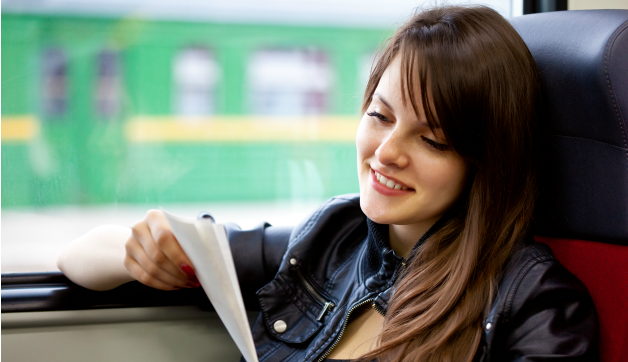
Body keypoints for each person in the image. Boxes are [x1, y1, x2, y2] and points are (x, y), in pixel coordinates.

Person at [57, 5, 598, 362]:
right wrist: (141, 251)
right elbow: (76, 258)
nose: (386, 153)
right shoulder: (331, 238)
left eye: (432, 141)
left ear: (487, 161)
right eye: (380, 117)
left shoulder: (535, 304)